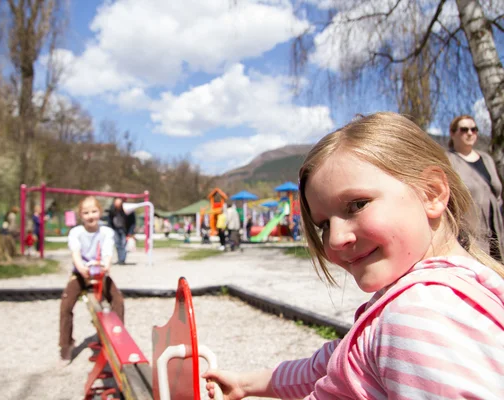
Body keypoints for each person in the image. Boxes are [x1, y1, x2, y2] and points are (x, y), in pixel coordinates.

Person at [204, 112, 504, 399]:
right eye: (323, 224)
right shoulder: (454, 290)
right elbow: (332, 363)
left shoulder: (416, 317)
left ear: (431, 193)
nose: (334, 239)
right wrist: (244, 384)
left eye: (357, 205)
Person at [60, 196, 124, 363]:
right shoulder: (76, 233)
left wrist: (105, 265)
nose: (90, 216)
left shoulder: (105, 232)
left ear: (100, 213)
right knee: (66, 304)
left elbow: (107, 253)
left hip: (100, 272)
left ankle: (117, 339)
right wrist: (82, 268)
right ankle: (66, 345)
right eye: (86, 212)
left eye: (94, 211)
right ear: (81, 215)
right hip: (82, 274)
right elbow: (76, 253)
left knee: (118, 300)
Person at [447, 115, 504, 260]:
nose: (470, 133)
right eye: (464, 129)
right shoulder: (448, 160)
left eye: (474, 129)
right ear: (453, 133)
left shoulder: (486, 159)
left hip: (498, 229)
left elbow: (497, 194)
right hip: (472, 236)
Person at [108, 197, 129, 265]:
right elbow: (109, 219)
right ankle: (120, 259)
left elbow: (132, 222)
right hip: (115, 229)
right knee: (117, 244)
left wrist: (130, 233)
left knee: (123, 244)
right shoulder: (112, 210)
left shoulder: (127, 210)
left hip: (124, 229)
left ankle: (122, 260)